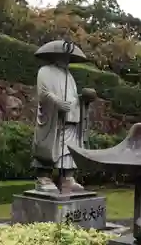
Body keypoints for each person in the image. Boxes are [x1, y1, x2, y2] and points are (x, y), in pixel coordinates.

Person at [31, 40, 95, 193]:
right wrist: (57, 102)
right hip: (52, 117)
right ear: (55, 56)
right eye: (63, 57)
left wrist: (83, 99)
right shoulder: (45, 71)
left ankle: (67, 177)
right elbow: (43, 93)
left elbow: (72, 97)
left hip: (70, 117)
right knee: (49, 144)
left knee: (69, 147)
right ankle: (43, 177)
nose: (66, 61)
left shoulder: (70, 76)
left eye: (68, 58)